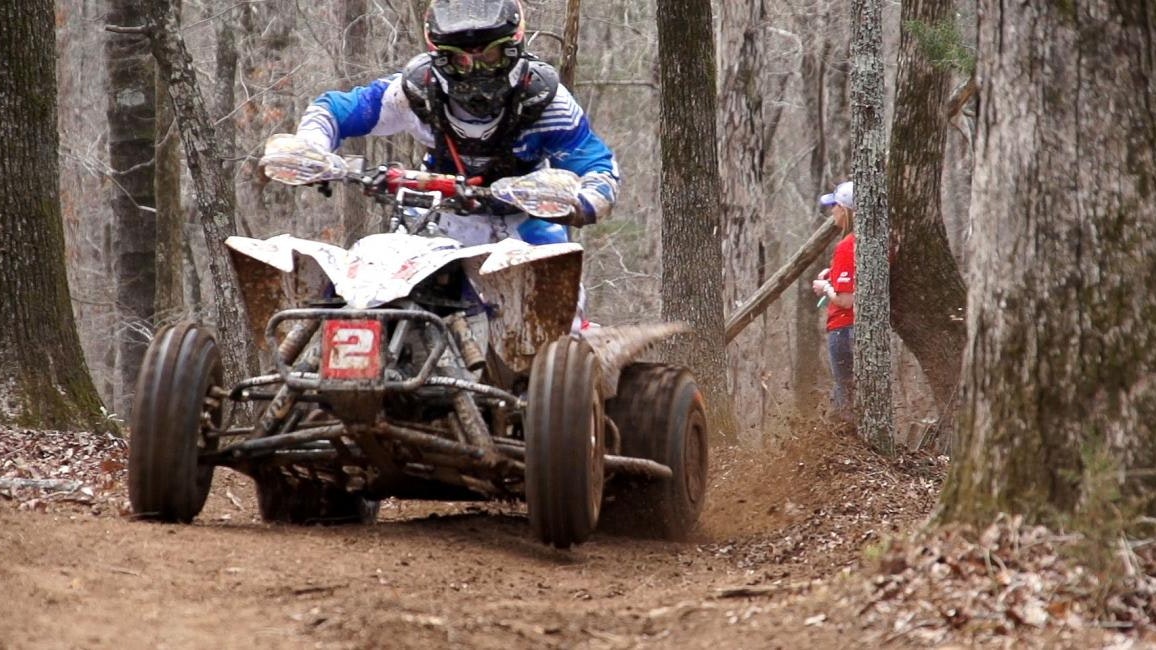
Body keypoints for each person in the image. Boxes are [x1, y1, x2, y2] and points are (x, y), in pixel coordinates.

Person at [290, 0, 620, 247]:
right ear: (439, 57)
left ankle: (574, 338)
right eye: (459, 58)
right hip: (434, 215)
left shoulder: (544, 102)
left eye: (489, 56)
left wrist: (584, 201)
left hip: (523, 220)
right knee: (371, 281)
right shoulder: (416, 92)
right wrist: (310, 148)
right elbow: (334, 110)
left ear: (513, 49)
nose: (475, 69)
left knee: (557, 298)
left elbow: (597, 166)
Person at [812, 181, 855, 425]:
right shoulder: (868, 243)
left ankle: (845, 439)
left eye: (836, 206)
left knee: (844, 389)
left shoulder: (847, 246)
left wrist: (825, 288)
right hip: (853, 329)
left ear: (847, 210)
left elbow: (846, 300)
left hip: (844, 327)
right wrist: (833, 272)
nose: (832, 212)